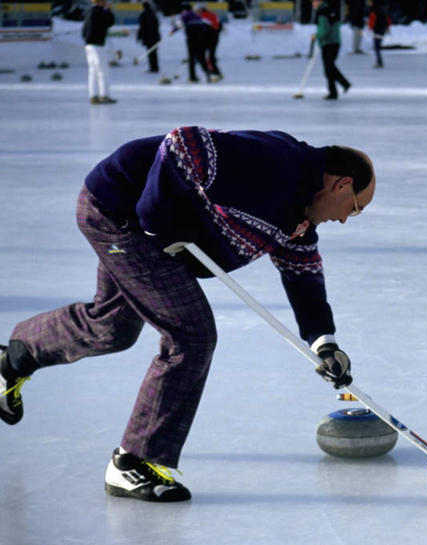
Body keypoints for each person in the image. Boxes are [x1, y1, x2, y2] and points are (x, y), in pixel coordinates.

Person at [0, 126, 376, 502]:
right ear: (341, 185)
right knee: (191, 335)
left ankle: (14, 357)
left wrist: (324, 342)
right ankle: (133, 462)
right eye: (355, 209)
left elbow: (302, 272)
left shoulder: (301, 211)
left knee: (112, 326)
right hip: (121, 214)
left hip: (140, 226)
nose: (345, 219)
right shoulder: (276, 164)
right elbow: (184, 143)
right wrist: (155, 221)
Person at [313, 0, 351, 99]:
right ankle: (339, 87)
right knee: (330, 67)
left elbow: (324, 30)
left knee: (329, 68)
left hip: (328, 43)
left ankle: (338, 88)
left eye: (314, 2)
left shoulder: (322, 13)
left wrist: (317, 36)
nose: (313, 4)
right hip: (336, 42)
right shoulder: (331, 10)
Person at [82, 0, 116, 105]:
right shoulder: (99, 11)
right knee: (102, 71)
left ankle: (93, 96)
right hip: (97, 44)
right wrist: (109, 10)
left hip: (89, 44)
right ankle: (104, 95)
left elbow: (83, 29)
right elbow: (110, 22)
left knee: (93, 71)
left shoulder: (90, 11)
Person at [171, 3, 214, 83]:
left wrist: (173, 31)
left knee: (191, 57)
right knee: (201, 57)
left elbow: (179, 24)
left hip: (192, 37)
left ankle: (192, 77)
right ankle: (209, 74)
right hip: (201, 37)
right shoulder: (196, 15)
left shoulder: (185, 14)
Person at [198, 5, 223, 82]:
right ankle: (216, 73)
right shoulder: (213, 14)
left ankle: (212, 74)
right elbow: (220, 26)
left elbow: (202, 28)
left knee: (203, 57)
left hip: (207, 39)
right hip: (214, 38)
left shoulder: (202, 16)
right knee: (211, 56)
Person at [137, 1, 160, 73]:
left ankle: (152, 68)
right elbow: (157, 25)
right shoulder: (153, 14)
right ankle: (155, 67)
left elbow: (142, 27)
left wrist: (139, 36)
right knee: (154, 52)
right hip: (155, 36)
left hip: (147, 37)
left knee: (150, 53)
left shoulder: (143, 15)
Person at [368, 0, 391, 68]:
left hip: (377, 30)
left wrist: (370, 28)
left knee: (377, 46)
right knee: (377, 46)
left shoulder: (374, 10)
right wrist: (387, 27)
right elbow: (387, 19)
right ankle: (379, 61)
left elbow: (372, 19)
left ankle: (379, 61)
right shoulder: (381, 9)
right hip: (382, 29)